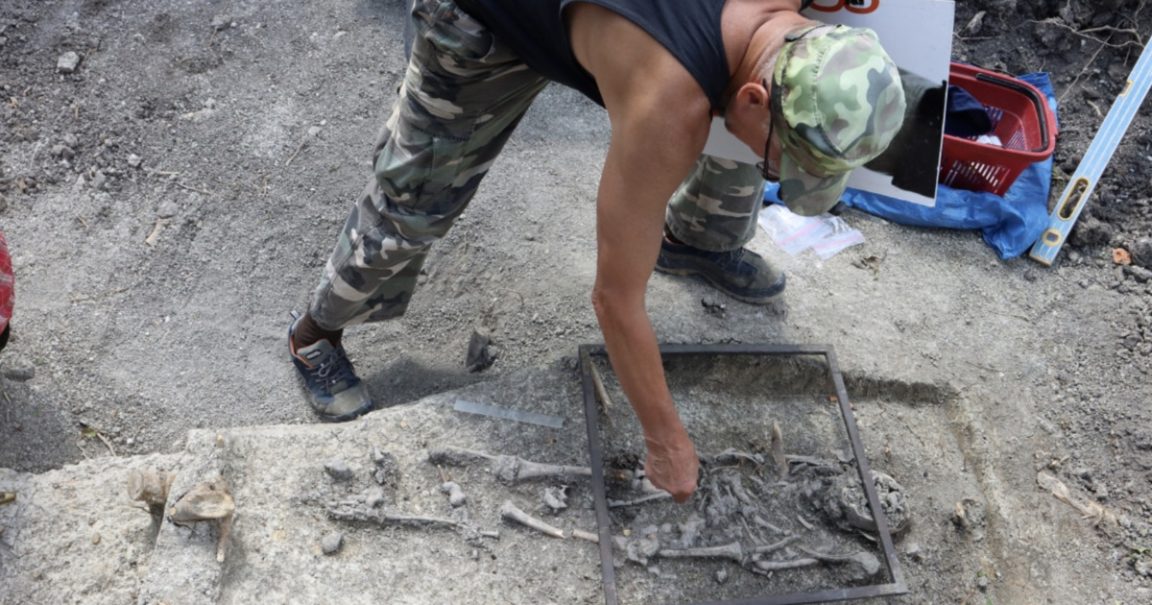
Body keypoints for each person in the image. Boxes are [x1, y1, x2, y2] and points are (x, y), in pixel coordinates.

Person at [289, 0, 905, 502]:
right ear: (754, 98)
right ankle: (315, 332)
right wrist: (665, 440)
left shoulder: (789, 35)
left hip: (626, 26)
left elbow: (754, 110)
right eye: (786, 162)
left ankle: (695, 240)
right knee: (419, 197)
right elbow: (614, 299)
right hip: (485, 21)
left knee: (735, 147)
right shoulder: (670, 107)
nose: (779, 173)